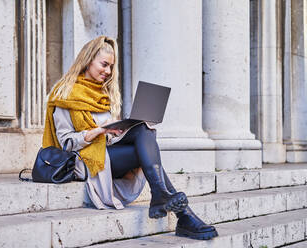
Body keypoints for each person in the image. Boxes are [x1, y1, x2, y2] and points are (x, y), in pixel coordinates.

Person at [42, 36, 218, 240]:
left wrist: (117, 131)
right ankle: (181, 213)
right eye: (104, 65)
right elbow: (66, 144)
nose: (108, 72)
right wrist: (99, 131)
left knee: (143, 128)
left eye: (111, 67)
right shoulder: (64, 94)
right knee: (143, 151)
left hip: (105, 152)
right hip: (83, 161)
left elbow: (107, 141)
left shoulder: (102, 95)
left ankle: (166, 199)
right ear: (89, 60)